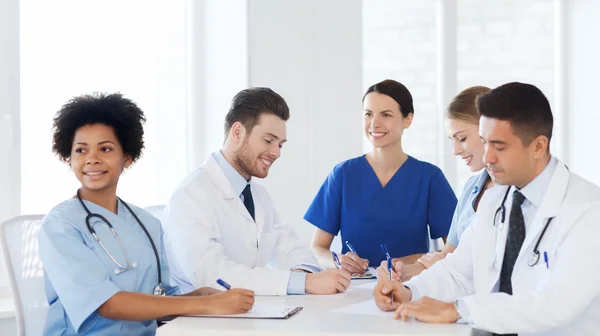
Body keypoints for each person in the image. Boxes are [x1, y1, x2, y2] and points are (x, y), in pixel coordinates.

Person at [373, 82, 600, 335]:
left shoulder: (588, 210)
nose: (488, 157)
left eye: (499, 146)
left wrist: (461, 311)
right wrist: (409, 291)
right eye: (484, 142)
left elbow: (557, 304)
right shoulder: (495, 201)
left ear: (538, 146)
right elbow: (457, 271)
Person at [38, 93, 254, 336]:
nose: (92, 159)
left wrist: (199, 294)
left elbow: (159, 300)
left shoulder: (147, 224)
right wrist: (207, 305)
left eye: (105, 149)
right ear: (69, 157)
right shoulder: (60, 226)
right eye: (80, 150)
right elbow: (107, 304)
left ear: (127, 158)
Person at [162, 87, 351, 296]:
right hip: (199, 323)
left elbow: (292, 247)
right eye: (268, 140)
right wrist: (302, 283)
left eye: (280, 144)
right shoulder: (191, 194)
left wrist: (304, 273)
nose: (276, 152)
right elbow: (212, 274)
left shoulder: (258, 196)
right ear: (237, 132)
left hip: (247, 315)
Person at [304, 79, 457, 275]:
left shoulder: (429, 178)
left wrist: (414, 262)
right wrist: (339, 261)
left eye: (386, 115)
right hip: (352, 288)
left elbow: (452, 251)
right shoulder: (343, 174)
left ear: (407, 119)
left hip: (410, 285)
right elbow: (317, 248)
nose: (375, 123)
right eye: (368, 114)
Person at [377, 86, 496, 281]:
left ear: (490, 130)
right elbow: (449, 253)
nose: (456, 150)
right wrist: (403, 272)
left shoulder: (514, 191)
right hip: (457, 294)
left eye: (462, 138)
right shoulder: (472, 188)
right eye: (452, 141)